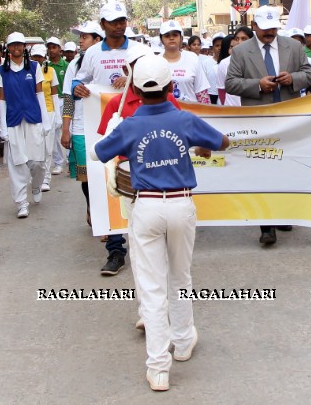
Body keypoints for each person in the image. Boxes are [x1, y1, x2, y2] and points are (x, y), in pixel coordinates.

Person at [94, 55, 229, 392]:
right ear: (171, 87)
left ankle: (158, 368)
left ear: (137, 88)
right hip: (181, 204)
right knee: (180, 277)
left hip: (147, 208)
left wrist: (115, 130)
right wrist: (197, 144)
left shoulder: (130, 124)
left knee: (152, 290)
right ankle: (183, 343)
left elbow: (98, 152)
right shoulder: (184, 119)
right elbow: (222, 142)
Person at [225, 5, 311, 246]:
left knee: (287, 166)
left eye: (273, 28)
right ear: (254, 27)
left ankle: (283, 213)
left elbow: (309, 75)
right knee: (262, 169)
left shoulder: (294, 47)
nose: (269, 33)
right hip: (258, 120)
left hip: (288, 118)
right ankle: (266, 225)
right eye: (264, 29)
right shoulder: (242, 51)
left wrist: (292, 79)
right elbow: (231, 83)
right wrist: (257, 84)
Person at [74, 1, 136, 275]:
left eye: (122, 20)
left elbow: (157, 80)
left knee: (138, 183)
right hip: (104, 126)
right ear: (103, 25)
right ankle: (115, 250)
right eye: (112, 21)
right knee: (106, 182)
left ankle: (148, 246)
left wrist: (132, 78)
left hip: (137, 125)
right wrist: (79, 89)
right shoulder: (91, 55)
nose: (119, 25)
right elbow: (78, 81)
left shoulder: (140, 50)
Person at [0, 32, 51, 219]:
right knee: (17, 163)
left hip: (33, 118)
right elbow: (2, 99)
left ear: (24, 47)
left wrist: (46, 120)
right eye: (12, 45)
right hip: (13, 120)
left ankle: (36, 185)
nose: (16, 48)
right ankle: (21, 203)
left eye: (19, 45)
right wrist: (3, 126)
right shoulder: (2, 70)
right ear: (8, 48)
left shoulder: (34, 67)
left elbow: (40, 95)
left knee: (38, 162)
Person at [61, 21, 103, 224]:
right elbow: (68, 98)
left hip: (105, 125)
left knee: (105, 172)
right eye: (80, 36)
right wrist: (66, 129)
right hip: (80, 127)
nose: (80, 40)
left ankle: (105, 214)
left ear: (97, 40)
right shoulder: (73, 65)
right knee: (86, 175)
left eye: (85, 37)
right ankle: (92, 206)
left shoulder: (107, 62)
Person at [30, 43, 62, 191]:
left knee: (48, 148)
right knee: (34, 148)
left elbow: (54, 94)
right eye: (34, 56)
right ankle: (35, 176)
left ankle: (46, 179)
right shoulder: (26, 71)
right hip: (32, 114)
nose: (37, 59)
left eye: (40, 56)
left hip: (49, 112)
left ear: (44, 57)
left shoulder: (50, 72)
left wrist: (58, 116)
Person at [159, 20, 210, 104]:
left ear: (181, 38)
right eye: (167, 35)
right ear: (161, 39)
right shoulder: (155, 61)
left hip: (191, 113)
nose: (171, 38)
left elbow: (202, 92)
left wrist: (206, 114)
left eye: (175, 35)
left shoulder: (192, 58)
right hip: (165, 114)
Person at [45, 37, 69, 176]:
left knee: (67, 131)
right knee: (54, 134)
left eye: (54, 47)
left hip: (65, 100)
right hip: (52, 103)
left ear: (60, 49)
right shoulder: (46, 67)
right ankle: (58, 162)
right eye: (49, 47)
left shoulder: (66, 66)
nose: (52, 50)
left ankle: (70, 161)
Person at [216, 26, 253, 105]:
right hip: (231, 109)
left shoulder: (258, 60)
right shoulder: (224, 63)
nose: (239, 42)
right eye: (237, 39)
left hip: (252, 108)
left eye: (244, 39)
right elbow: (221, 89)